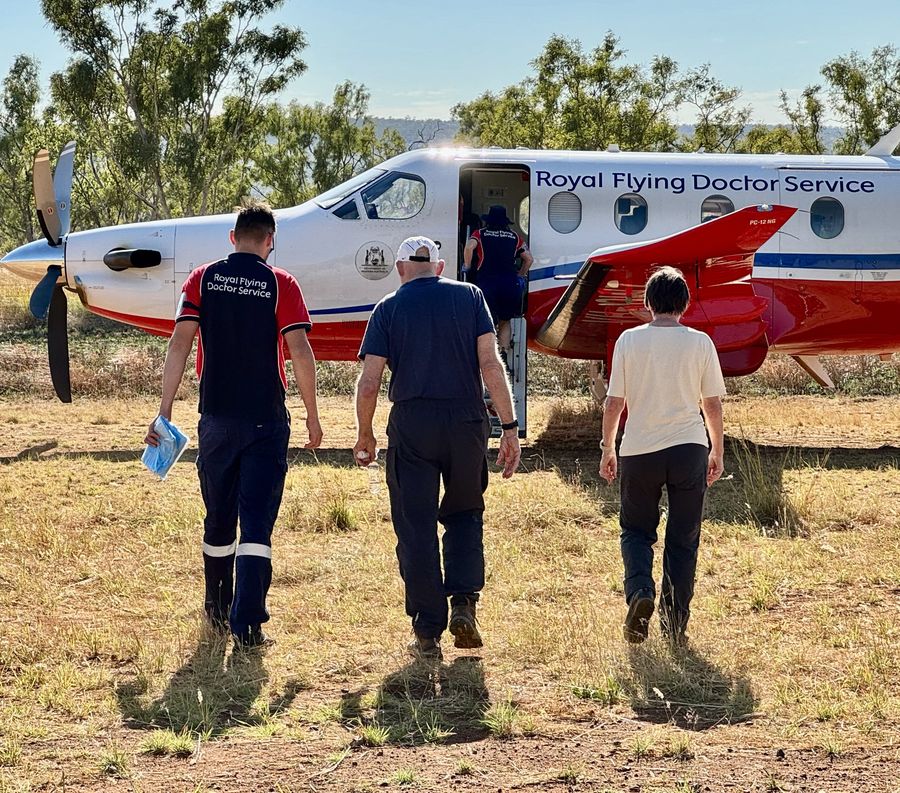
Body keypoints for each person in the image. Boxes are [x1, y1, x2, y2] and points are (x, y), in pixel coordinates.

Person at [145, 201, 322, 649]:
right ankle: (248, 625)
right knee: (257, 524)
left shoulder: (202, 279)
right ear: (270, 242)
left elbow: (179, 345)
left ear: (232, 237)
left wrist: (164, 412)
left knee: (218, 519)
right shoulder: (281, 283)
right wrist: (312, 415)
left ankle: (216, 610)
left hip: (216, 418)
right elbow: (299, 352)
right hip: (265, 418)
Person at [354, 236, 521, 660]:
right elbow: (490, 363)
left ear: (401, 268)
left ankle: (428, 630)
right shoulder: (470, 296)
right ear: (441, 267)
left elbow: (370, 380)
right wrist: (509, 425)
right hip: (466, 421)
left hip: (412, 424)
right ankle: (463, 603)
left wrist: (365, 433)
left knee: (416, 524)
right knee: (465, 512)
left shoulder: (387, 308)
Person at [599, 266, 725, 646]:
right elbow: (713, 404)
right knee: (683, 539)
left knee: (636, 531)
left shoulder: (629, 341)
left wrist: (608, 447)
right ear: (684, 304)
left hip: (639, 450)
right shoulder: (700, 342)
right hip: (688, 448)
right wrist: (716, 449)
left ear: (648, 302)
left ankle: (640, 593)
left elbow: (613, 403)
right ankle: (675, 625)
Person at [462, 205, 533, 358]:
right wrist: (520, 275)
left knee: (487, 321)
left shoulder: (480, 234)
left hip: (487, 283)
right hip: (509, 284)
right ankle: (504, 353)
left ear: (488, 220)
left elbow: (469, 247)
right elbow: (529, 259)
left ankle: (488, 355)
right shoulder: (514, 237)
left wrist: (467, 266)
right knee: (505, 321)